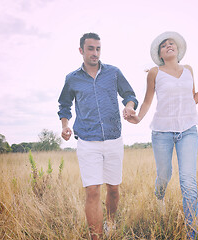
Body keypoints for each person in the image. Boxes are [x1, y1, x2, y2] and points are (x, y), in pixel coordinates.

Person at [125, 31, 198, 239]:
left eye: (172, 43)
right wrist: (138, 119)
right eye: (164, 45)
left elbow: (193, 99)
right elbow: (146, 101)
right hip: (162, 132)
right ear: (160, 54)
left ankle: (192, 235)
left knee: (188, 181)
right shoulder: (154, 72)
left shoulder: (188, 70)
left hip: (188, 130)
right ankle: (159, 196)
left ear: (178, 50)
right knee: (164, 175)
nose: (168, 45)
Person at [57, 32, 138, 240]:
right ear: (81, 50)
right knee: (92, 190)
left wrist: (129, 107)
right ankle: (97, 237)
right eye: (91, 48)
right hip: (87, 141)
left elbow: (129, 95)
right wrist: (65, 125)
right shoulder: (72, 79)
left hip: (113, 139)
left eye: (98, 48)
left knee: (113, 189)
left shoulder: (114, 73)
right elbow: (64, 106)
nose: (95, 53)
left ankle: (110, 223)